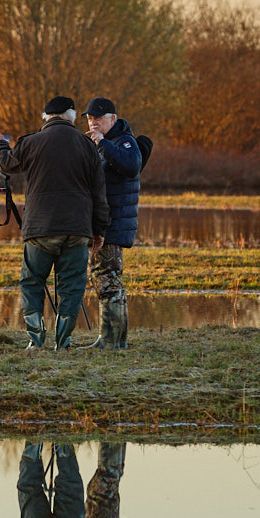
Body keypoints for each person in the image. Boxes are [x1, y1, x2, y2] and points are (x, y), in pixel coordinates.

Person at [0, 96, 109, 350]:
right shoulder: (87, 146)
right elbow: (100, 194)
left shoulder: (30, 142)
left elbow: (6, 163)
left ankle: (36, 338)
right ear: (72, 116)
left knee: (32, 282)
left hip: (40, 229)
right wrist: (99, 230)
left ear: (46, 117)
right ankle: (62, 341)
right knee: (72, 286)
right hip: (77, 229)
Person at [83, 97, 142, 349]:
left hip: (113, 226)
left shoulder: (124, 141)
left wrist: (101, 143)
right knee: (104, 279)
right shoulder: (107, 144)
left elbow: (131, 165)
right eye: (89, 118)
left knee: (108, 282)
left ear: (113, 119)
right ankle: (109, 339)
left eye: (99, 118)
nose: (93, 122)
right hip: (104, 223)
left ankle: (114, 341)